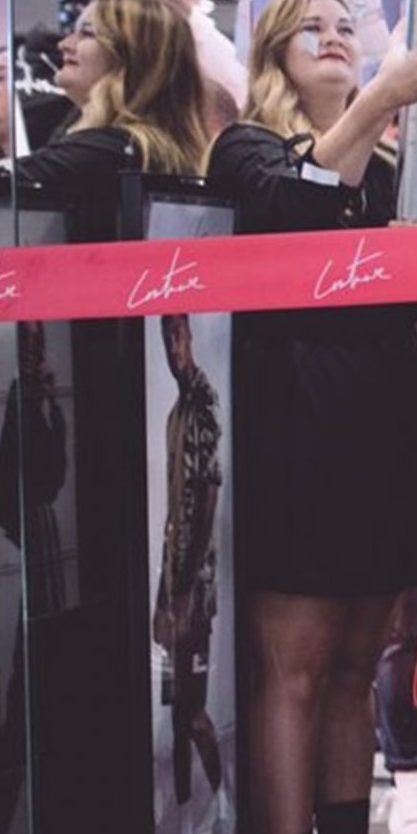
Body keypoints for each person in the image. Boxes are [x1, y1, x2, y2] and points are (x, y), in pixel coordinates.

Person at [208, 0, 417, 834]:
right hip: (294, 441)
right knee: (291, 675)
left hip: (376, 443)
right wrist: (378, 101)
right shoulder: (246, 150)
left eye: (351, 26)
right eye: (318, 26)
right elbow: (292, 208)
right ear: (273, 51)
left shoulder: (392, 167)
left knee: (355, 673)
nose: (340, 38)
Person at [0, 0, 213, 230]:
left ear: (131, 58)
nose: (65, 44)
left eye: (87, 34)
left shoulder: (113, 150)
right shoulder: (141, 148)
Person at [153, 311, 227, 808]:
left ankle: (221, 803)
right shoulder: (178, 409)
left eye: (177, 336)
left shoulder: (202, 402)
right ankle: (186, 808)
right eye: (166, 338)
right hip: (173, 571)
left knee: (193, 707)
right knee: (175, 703)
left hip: (194, 583)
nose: (173, 349)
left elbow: (207, 500)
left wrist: (184, 590)